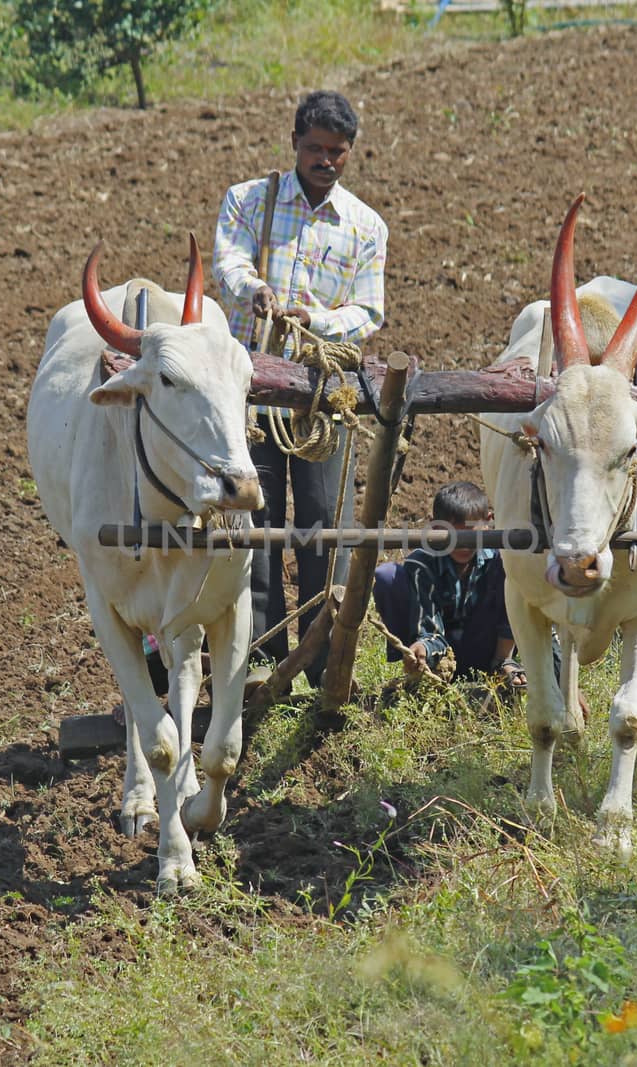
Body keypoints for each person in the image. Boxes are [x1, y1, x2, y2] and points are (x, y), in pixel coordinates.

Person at [212, 90, 388, 685]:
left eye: (336, 151)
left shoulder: (366, 227)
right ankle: (262, 659)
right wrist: (253, 290)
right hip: (253, 394)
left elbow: (369, 313)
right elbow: (228, 264)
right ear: (294, 143)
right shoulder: (248, 201)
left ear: (350, 154)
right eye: (314, 148)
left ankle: (319, 660)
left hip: (322, 398)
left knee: (322, 526)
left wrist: (319, 322)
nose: (325, 160)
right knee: (256, 526)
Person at [372, 481, 524, 692]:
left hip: (487, 644)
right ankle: (423, 669)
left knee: (515, 566)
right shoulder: (422, 564)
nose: (462, 544)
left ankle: (503, 664)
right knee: (386, 575)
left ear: (488, 522)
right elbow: (430, 630)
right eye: (451, 534)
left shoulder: (499, 559)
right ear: (434, 527)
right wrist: (424, 646)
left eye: (470, 533)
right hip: (443, 652)